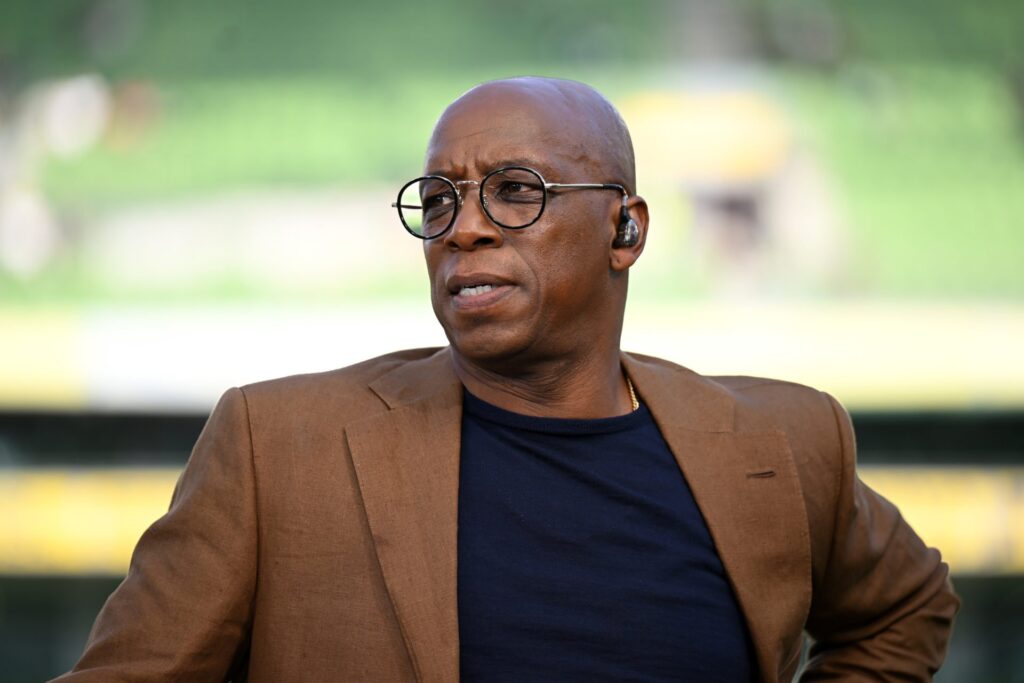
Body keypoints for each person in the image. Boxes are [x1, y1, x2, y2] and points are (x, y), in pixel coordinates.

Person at [55, 77, 957, 682]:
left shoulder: (785, 440)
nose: (464, 229)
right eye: (439, 199)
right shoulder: (276, 443)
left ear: (626, 233)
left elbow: (906, 606)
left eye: (515, 190)